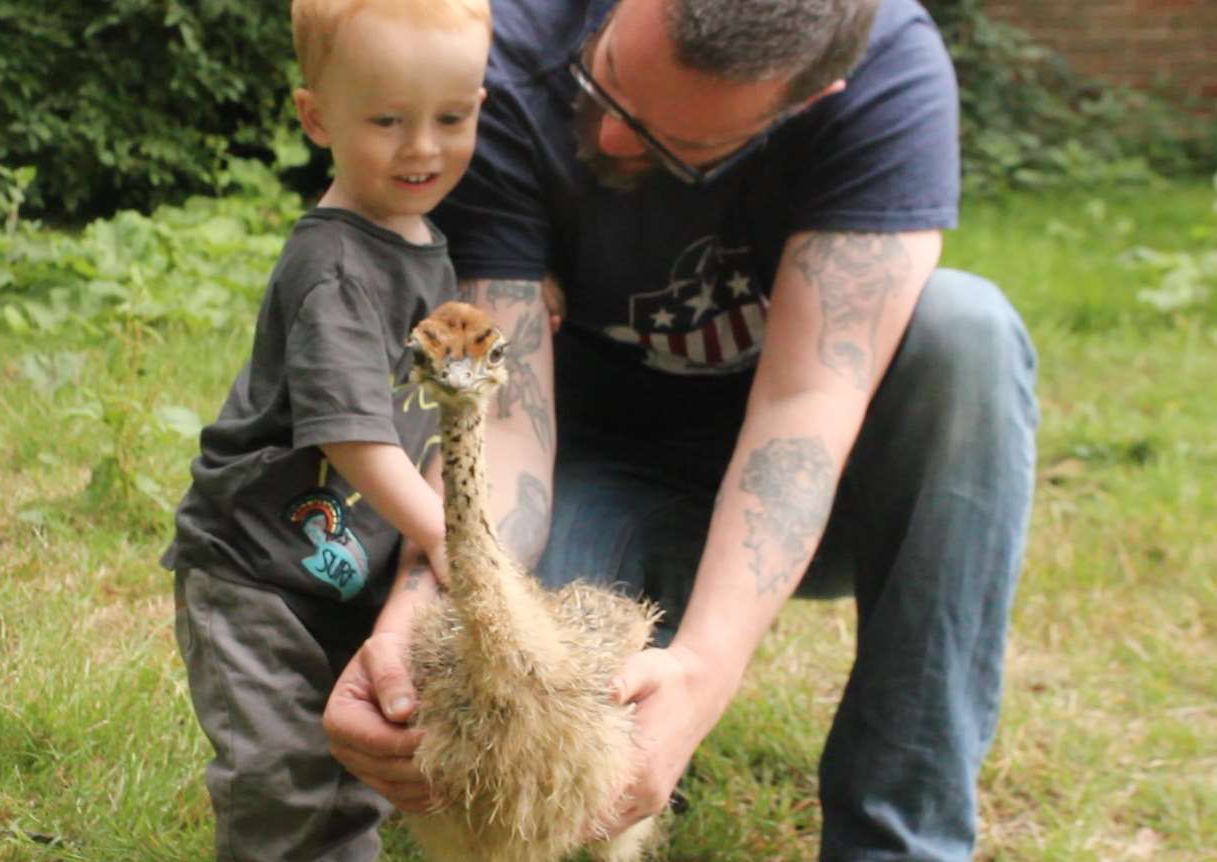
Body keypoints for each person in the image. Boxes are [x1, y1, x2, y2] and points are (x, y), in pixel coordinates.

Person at [323, 0, 1040, 859]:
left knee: (968, 335)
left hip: (826, 498)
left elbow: (804, 412)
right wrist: (416, 619)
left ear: (811, 99)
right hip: (582, 468)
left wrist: (702, 677)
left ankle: (900, 838)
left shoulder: (891, 73)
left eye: (683, 147)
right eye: (612, 80)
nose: (614, 143)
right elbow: (502, 415)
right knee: (509, 722)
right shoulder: (501, 55)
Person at [160, 0, 491, 858]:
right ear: (317, 118)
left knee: (355, 768)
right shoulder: (334, 267)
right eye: (387, 120)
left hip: (345, 567)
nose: (421, 147)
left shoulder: (420, 239)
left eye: (449, 119)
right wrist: (443, 536)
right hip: (257, 571)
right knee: (282, 772)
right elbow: (355, 438)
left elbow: (439, 365)